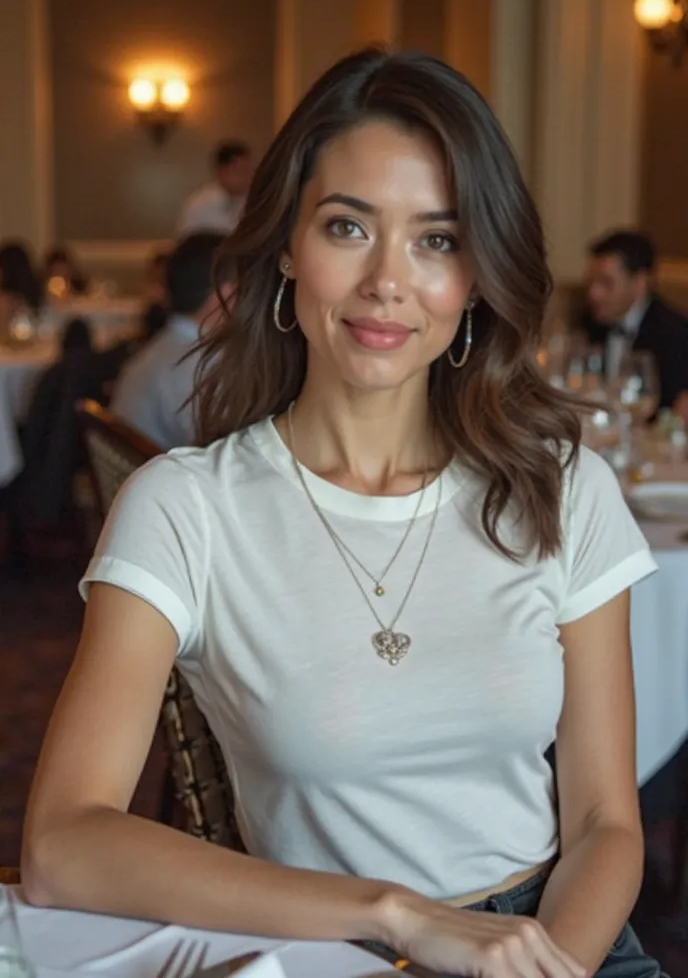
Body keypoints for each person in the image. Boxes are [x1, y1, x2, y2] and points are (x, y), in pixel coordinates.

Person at [22, 49, 666, 978]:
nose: (388, 283)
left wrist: (541, 964)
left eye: (437, 240)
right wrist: (398, 917)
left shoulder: (562, 485)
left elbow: (607, 823)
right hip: (322, 945)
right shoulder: (185, 508)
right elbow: (61, 846)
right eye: (348, 227)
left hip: (556, 942)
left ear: (478, 274)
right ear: (287, 245)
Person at [110, 231, 227, 450]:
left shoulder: (162, 348)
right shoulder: (197, 365)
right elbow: (218, 458)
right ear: (223, 294)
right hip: (158, 477)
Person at [583, 230, 688, 412]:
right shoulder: (589, 322)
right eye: (591, 282)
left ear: (640, 283)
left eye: (606, 283)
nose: (593, 294)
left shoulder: (676, 334)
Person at [177, 141, 252, 237]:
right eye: (241, 170)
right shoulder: (201, 206)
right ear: (221, 171)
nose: (248, 176)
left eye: (249, 170)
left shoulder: (249, 200)